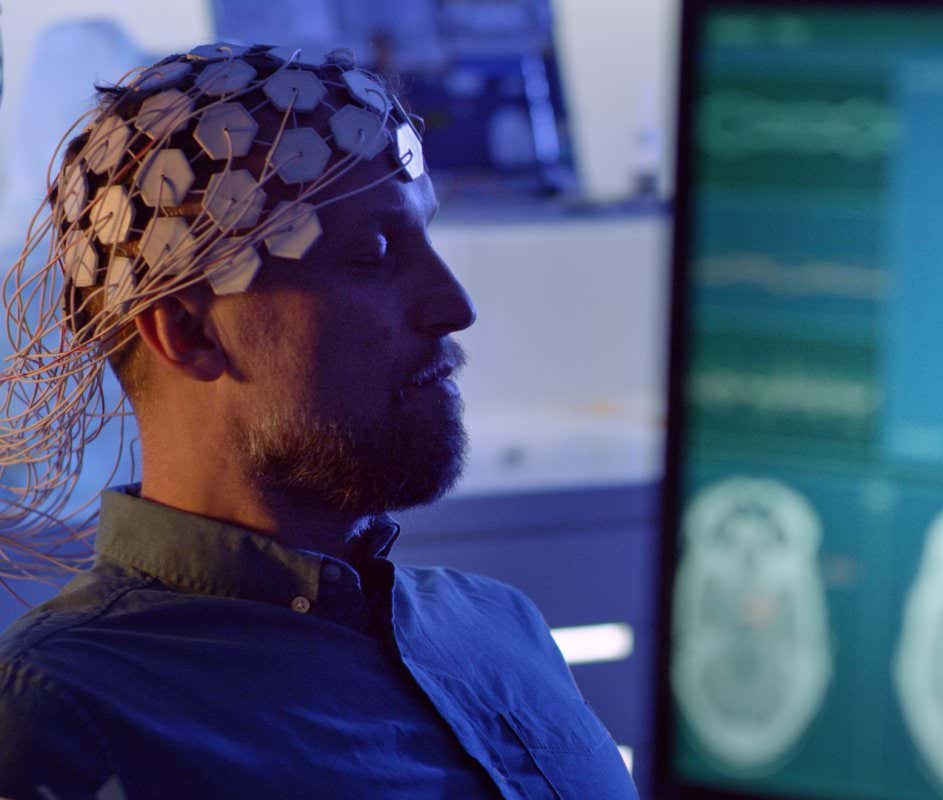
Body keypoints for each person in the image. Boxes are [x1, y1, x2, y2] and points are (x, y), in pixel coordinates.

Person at [0, 43, 637, 799]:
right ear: (190, 332)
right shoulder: (61, 715)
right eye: (373, 254)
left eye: (426, 237)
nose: (454, 305)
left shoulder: (500, 624)